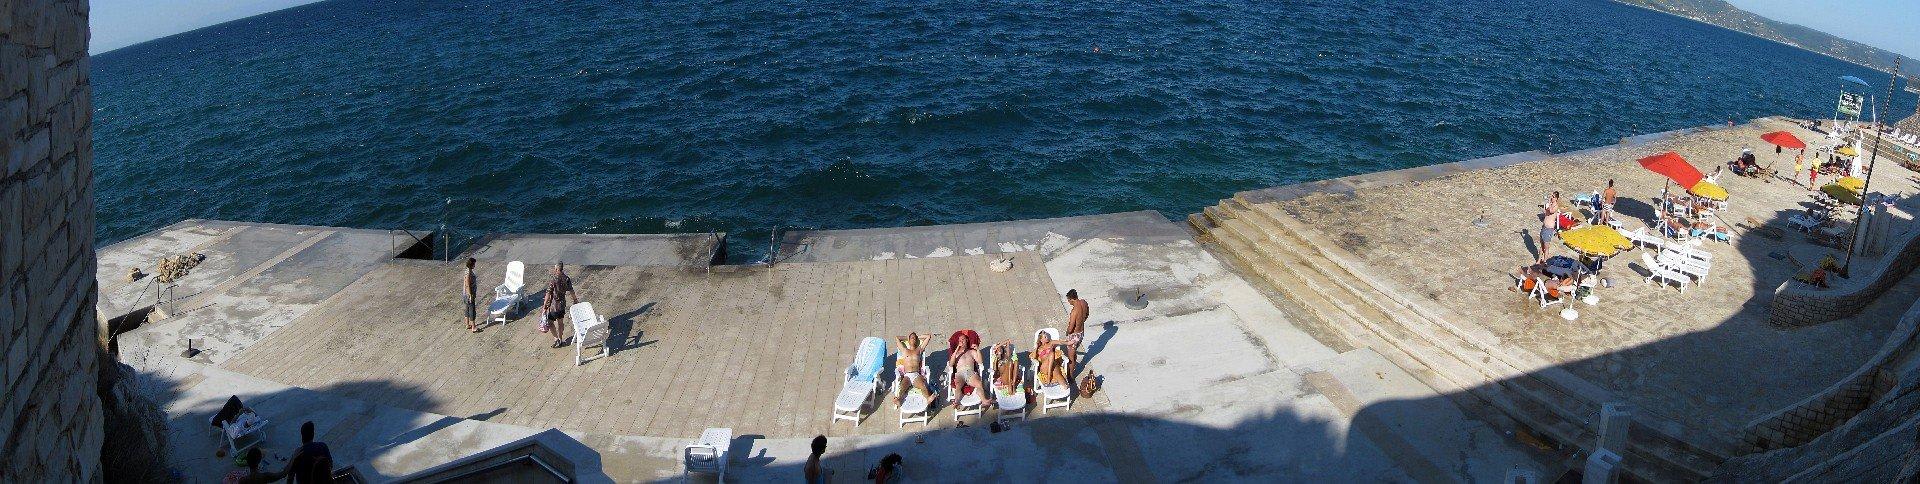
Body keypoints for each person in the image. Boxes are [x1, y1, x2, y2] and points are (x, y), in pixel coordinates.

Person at [540, 262, 579, 348]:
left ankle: (556, 338)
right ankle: (561, 339)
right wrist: (575, 300)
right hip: (562, 305)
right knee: (560, 323)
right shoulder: (566, 278)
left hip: (554, 307)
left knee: (550, 322)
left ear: (557, 269)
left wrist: (544, 306)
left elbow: (548, 294)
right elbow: (571, 291)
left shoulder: (553, 279)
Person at [894, 332, 935, 405]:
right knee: (902, 387)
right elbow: (897, 338)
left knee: (923, 386)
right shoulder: (904, 350)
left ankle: (928, 399)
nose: (913, 339)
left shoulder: (919, 350)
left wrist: (916, 337)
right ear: (908, 340)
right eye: (912, 338)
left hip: (916, 375)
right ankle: (899, 400)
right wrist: (908, 337)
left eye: (915, 338)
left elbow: (928, 337)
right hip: (907, 375)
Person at [946, 332, 985, 406]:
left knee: (979, 384)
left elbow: (980, 361)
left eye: (963, 339)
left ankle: (984, 400)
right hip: (960, 373)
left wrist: (978, 349)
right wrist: (957, 349)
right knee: (958, 386)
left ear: (967, 340)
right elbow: (951, 364)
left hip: (970, 372)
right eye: (960, 340)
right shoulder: (956, 354)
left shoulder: (972, 352)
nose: (961, 341)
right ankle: (956, 402)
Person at [462, 258, 479, 333]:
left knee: (467, 309)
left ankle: (467, 324)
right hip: (469, 294)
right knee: (472, 310)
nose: (475, 265)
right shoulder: (468, 272)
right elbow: (467, 284)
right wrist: (470, 295)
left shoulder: (467, 270)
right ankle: (473, 327)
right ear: (471, 264)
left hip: (465, 294)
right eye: (474, 264)